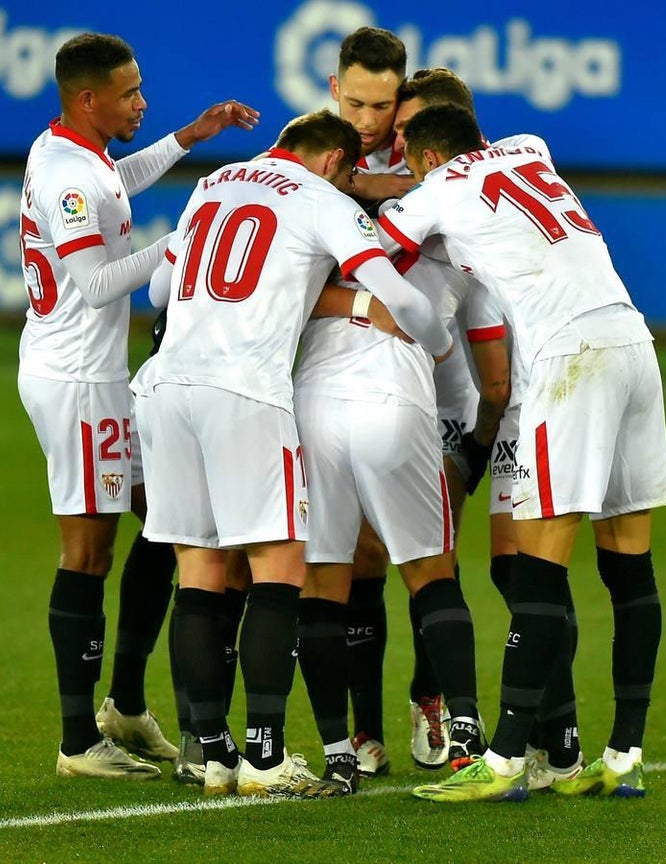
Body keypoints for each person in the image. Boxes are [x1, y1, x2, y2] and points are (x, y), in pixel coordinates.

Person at [134, 108, 452, 798]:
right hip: (245, 391)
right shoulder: (318, 198)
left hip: (163, 387)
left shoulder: (214, 183)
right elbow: (395, 290)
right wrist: (425, 333)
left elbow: (157, 290)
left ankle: (206, 750)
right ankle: (267, 755)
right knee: (279, 568)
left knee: (197, 569)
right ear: (335, 161)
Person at [383, 104, 666, 802]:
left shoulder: (435, 190)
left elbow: (386, 233)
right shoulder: (528, 147)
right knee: (629, 565)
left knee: (538, 561)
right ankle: (625, 752)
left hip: (567, 357)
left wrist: (382, 186)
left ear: (422, 158)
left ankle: (506, 757)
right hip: (633, 341)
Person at [17, 32, 260, 780]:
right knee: (88, 553)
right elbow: (93, 284)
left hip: (99, 377)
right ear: (88, 99)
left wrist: (188, 138)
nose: (142, 102)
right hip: (77, 381)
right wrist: (188, 237)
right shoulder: (66, 174)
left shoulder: (74, 154)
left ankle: (123, 701)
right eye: (130, 94)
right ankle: (75, 741)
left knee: (170, 517)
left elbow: (115, 181)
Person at [324, 34, 512, 777]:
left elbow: (479, 309)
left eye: (391, 113)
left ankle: (430, 698)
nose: (380, 126)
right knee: (364, 556)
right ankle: (365, 730)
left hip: (447, 390)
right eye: (365, 108)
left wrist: (479, 428)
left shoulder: (459, 181)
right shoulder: (335, 160)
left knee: (429, 555)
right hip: (363, 382)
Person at [391, 67, 582, 789]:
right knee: (505, 568)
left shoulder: (446, 197)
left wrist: (475, 440)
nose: (398, 142)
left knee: (506, 567)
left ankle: (526, 742)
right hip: (510, 390)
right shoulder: (522, 156)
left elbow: (490, 355)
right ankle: (553, 744)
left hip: (511, 397)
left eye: (409, 131)